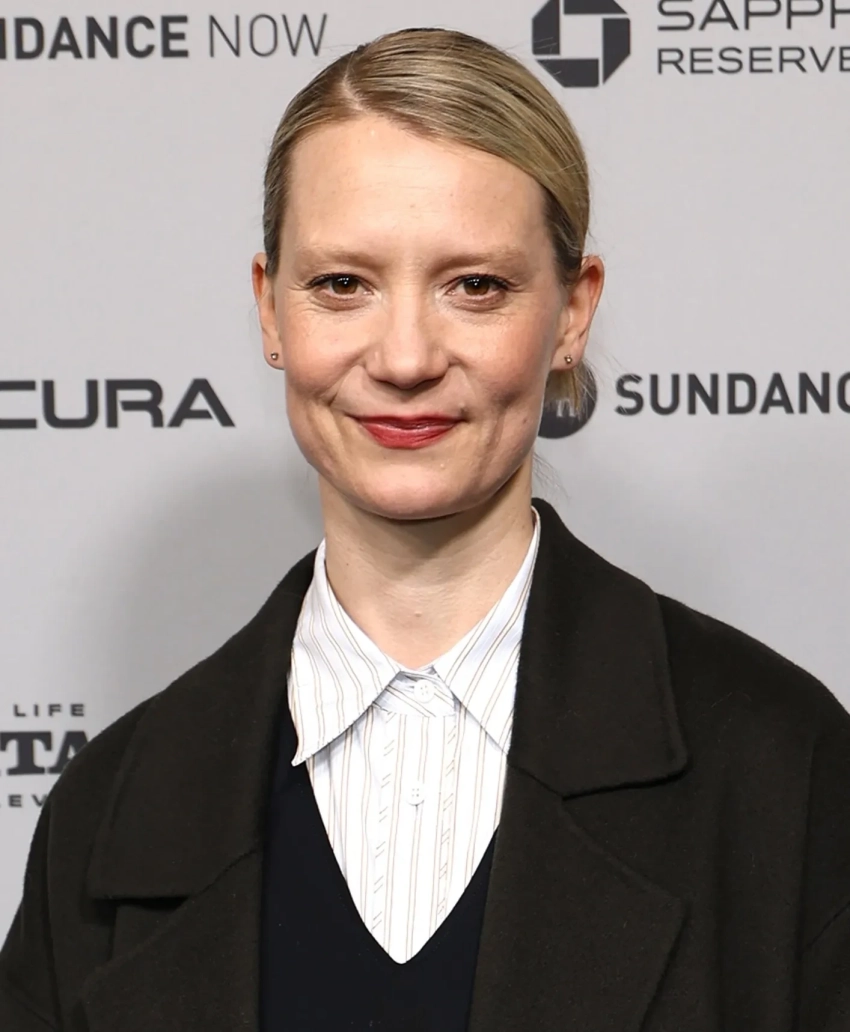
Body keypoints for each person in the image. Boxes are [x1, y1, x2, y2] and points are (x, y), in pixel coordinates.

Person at [2, 25, 849, 1032]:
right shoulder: (108, 811)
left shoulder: (780, 768)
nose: (404, 357)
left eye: (475, 286)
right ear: (270, 310)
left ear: (573, 313)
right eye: (342, 285)